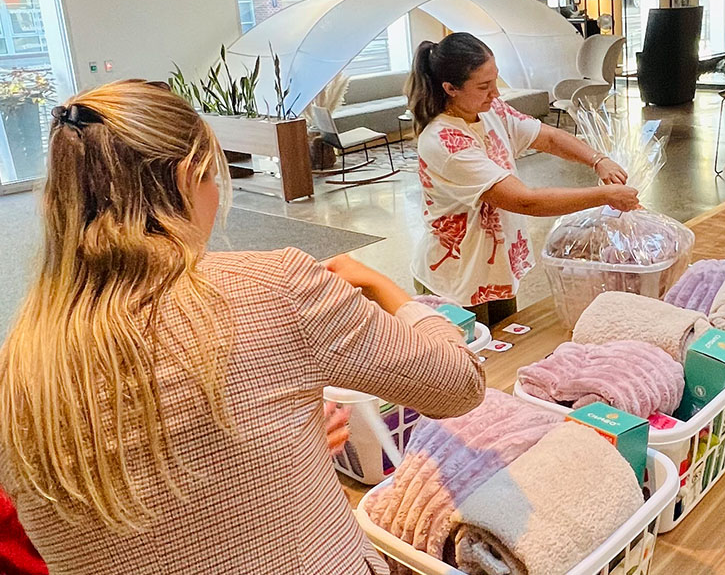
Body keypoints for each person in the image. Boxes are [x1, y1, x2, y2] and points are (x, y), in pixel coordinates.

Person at [0, 80, 485, 574]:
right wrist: (391, 291)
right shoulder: (277, 284)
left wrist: (275, 441)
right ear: (190, 175)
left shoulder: (18, 365)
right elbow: (459, 386)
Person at [408, 32, 639, 326]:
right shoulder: (445, 141)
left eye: (495, 81)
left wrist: (599, 160)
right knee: (474, 358)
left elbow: (551, 139)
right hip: (456, 279)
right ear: (450, 88)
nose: (496, 93)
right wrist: (605, 196)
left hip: (493, 270)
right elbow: (523, 201)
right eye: (483, 86)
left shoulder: (490, 110)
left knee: (507, 350)